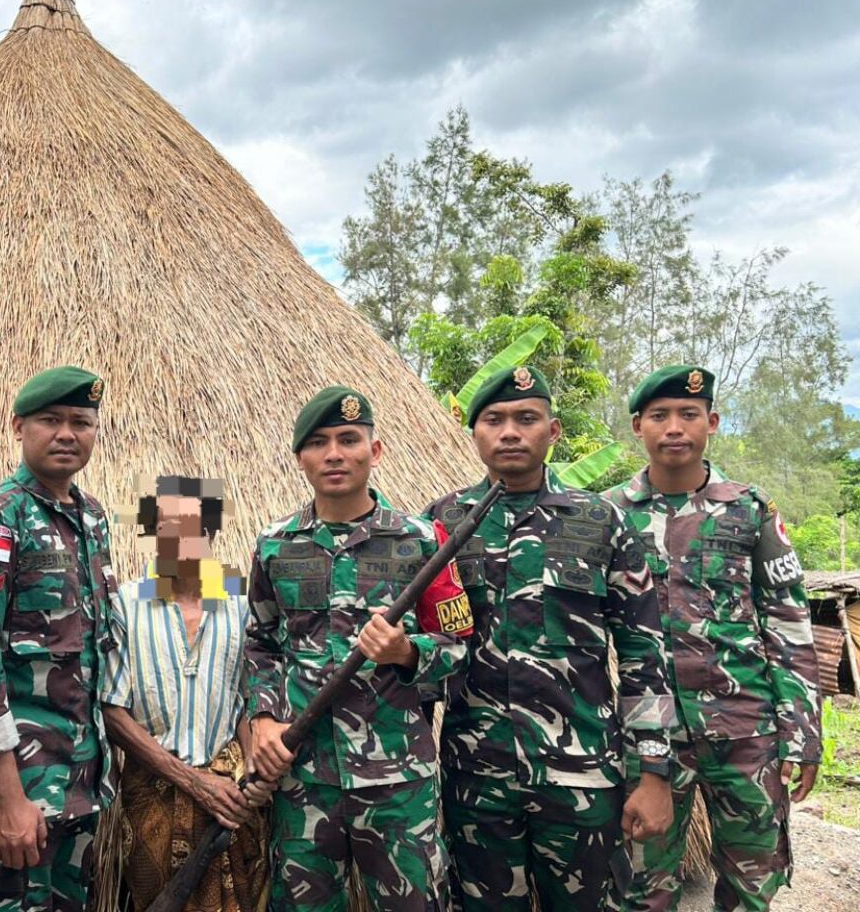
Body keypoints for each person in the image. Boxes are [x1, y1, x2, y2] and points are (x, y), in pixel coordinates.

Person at [425, 366, 676, 911]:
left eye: (526, 418)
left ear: (554, 431)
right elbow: (422, 656)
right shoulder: (440, 524)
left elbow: (644, 655)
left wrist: (654, 771)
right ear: (475, 433)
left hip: (582, 773)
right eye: (494, 420)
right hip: (477, 776)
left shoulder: (601, 521)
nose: (510, 431)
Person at [606, 365, 822, 911]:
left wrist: (802, 731)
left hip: (746, 731)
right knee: (641, 888)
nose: (674, 427)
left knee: (752, 885)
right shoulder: (607, 514)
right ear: (638, 426)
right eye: (659, 416)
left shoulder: (750, 510)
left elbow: (788, 623)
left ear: (713, 423)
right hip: (648, 739)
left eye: (689, 415)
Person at [245, 386, 468, 911]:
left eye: (349, 439)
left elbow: (458, 646)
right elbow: (261, 644)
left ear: (377, 449)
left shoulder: (424, 541)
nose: (335, 454)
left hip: (398, 782)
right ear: (301, 457)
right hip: (305, 779)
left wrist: (406, 652)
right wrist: (264, 718)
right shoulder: (276, 545)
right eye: (319, 443)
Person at [0, 366, 117, 911]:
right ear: (18, 426)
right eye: (51, 420)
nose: (67, 433)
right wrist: (6, 796)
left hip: (80, 782)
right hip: (19, 792)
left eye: (81, 422)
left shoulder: (93, 519)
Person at [102, 474, 271, 912]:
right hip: (153, 800)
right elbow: (113, 713)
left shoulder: (239, 602)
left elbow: (248, 698)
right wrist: (195, 782)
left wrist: (252, 765)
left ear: (212, 534)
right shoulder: (127, 604)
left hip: (232, 802)